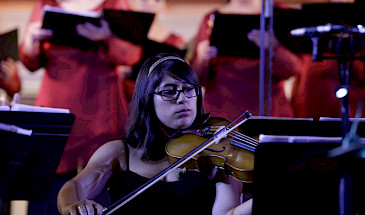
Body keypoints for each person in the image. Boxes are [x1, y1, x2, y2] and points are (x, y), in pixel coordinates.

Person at [57, 53, 253, 215]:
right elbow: (74, 187)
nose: (182, 99)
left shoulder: (219, 156)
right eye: (169, 91)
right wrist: (72, 206)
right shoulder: (119, 153)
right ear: (147, 99)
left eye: (189, 90)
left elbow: (226, 214)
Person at [19, 0, 142, 214]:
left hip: (100, 111)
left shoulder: (116, 3)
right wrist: (31, 39)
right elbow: (30, 61)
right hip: (56, 108)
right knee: (47, 191)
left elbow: (132, 55)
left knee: (100, 187)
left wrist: (107, 37)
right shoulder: (46, 3)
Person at [190, 0, 302, 120]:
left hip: (268, 112)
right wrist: (201, 58)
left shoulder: (279, 15)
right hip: (222, 116)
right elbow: (196, 80)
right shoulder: (210, 19)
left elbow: (295, 69)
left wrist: (275, 47)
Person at [120, 0, 186, 103]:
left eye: (157, 0)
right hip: (127, 98)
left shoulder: (175, 41)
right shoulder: (123, 36)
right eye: (144, 0)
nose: (150, 3)